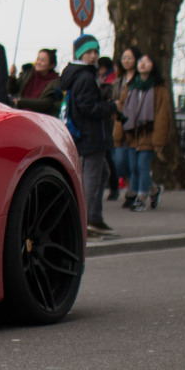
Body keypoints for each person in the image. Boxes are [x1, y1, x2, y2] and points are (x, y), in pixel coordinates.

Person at [60, 34, 119, 237]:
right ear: (80, 54)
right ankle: (83, 223)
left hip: (87, 134)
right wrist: (110, 106)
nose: (93, 55)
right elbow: (87, 107)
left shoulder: (80, 74)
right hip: (91, 135)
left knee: (102, 173)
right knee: (93, 177)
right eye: (89, 52)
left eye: (95, 51)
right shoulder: (85, 76)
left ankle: (94, 218)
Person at [113, 53, 173, 212]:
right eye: (141, 61)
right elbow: (122, 110)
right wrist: (118, 133)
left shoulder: (159, 88)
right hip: (132, 134)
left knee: (142, 166)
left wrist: (158, 140)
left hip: (149, 133)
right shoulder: (131, 87)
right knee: (133, 167)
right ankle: (153, 189)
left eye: (147, 61)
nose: (143, 64)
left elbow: (162, 115)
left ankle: (141, 198)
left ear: (153, 65)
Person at [108, 46, 142, 197]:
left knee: (133, 163)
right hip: (119, 124)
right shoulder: (119, 79)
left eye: (130, 58)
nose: (126, 61)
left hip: (136, 125)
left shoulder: (141, 79)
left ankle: (132, 192)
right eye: (124, 58)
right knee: (119, 161)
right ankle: (151, 188)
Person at [6, 48, 61, 114]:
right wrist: (12, 77)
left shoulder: (55, 82)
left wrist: (20, 102)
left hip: (39, 119)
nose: (38, 62)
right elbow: (12, 90)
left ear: (51, 65)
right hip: (19, 114)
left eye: (43, 60)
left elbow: (46, 104)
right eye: (38, 59)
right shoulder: (28, 73)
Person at [96, 56, 119, 199]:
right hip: (104, 123)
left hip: (106, 123)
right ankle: (113, 188)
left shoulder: (108, 80)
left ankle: (114, 188)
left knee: (109, 157)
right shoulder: (107, 78)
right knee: (108, 157)